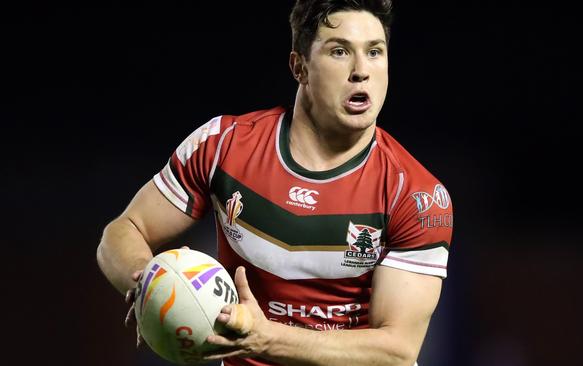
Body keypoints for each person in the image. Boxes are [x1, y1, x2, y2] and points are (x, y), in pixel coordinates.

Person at [96, 0, 454, 365]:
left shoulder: (415, 195)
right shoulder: (224, 146)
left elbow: (396, 351)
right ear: (299, 66)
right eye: (340, 51)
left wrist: (267, 340)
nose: (361, 71)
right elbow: (122, 231)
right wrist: (148, 284)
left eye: (375, 52)